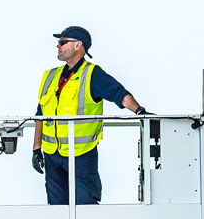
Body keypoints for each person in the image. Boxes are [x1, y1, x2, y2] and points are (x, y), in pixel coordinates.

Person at [31, 26, 146, 204]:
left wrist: (140, 112)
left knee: (86, 206)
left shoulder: (92, 74)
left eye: (62, 42)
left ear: (78, 45)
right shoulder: (50, 76)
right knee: (56, 208)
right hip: (52, 155)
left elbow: (120, 95)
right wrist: (36, 148)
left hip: (81, 155)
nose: (58, 46)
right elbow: (40, 114)